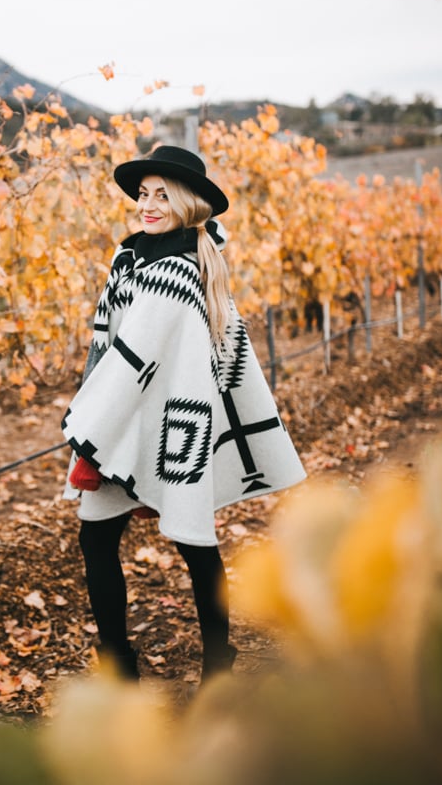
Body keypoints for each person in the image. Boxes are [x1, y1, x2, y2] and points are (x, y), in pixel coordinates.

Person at [62, 144, 306, 682]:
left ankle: (198, 662)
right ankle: (132, 660)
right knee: (133, 538)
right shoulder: (130, 258)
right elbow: (114, 345)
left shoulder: (181, 268)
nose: (148, 205)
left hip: (168, 420)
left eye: (161, 196)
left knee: (188, 539)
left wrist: (91, 423)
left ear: (187, 203)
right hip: (131, 421)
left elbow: (149, 358)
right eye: (143, 195)